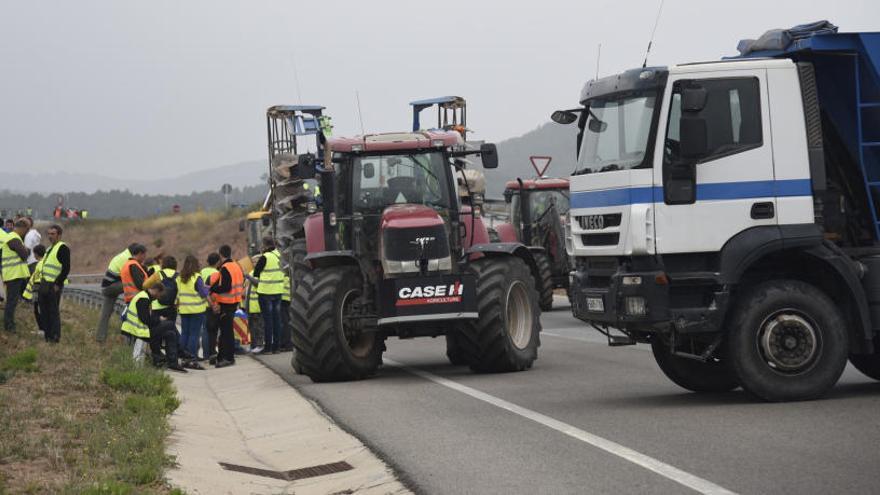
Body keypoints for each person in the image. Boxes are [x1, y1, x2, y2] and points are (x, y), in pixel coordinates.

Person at [121, 284, 187, 372]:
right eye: (160, 295)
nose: (159, 297)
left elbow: (147, 319)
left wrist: (157, 320)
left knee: (170, 334)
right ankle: (180, 351)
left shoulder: (146, 297)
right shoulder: (143, 299)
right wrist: (159, 320)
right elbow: (145, 319)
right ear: (156, 290)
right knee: (170, 324)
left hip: (143, 330)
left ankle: (172, 363)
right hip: (138, 332)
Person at [97, 243, 142, 342]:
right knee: (134, 284)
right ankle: (133, 306)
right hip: (111, 287)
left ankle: (100, 338)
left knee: (106, 314)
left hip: (107, 287)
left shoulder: (123, 255)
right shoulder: (128, 259)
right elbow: (136, 278)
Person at [209, 244, 244, 368]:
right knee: (226, 332)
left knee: (226, 333)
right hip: (235, 301)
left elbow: (226, 287)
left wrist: (213, 289)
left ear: (220, 255)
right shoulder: (236, 265)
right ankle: (222, 356)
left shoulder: (225, 268)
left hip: (226, 303)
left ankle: (228, 358)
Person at [253, 238, 284, 354]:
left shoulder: (265, 257)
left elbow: (256, 273)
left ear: (265, 245)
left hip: (266, 293)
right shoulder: (279, 256)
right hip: (278, 292)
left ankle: (268, 348)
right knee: (277, 320)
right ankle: (276, 347)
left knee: (268, 322)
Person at [39, 224, 70, 343]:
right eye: (49, 234)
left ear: (59, 235)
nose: (50, 236)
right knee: (44, 311)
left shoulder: (62, 248)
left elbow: (66, 268)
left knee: (53, 311)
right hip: (44, 283)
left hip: (54, 285)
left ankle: (55, 336)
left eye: (53, 234)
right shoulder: (49, 249)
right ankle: (48, 336)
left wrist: (58, 283)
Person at [2, 219, 31, 332]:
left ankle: (10, 324)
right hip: (13, 274)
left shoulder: (14, 238)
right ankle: (9, 326)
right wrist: (26, 250)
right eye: (26, 230)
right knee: (11, 302)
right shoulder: (13, 238)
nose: (26, 233)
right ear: (22, 228)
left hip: (15, 274)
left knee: (13, 301)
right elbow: (24, 254)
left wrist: (25, 250)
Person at [177, 255, 209, 359]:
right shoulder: (196, 277)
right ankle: (192, 356)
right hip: (196, 310)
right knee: (194, 334)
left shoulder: (180, 277)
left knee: (185, 333)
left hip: (184, 310)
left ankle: (183, 355)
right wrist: (208, 288)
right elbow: (204, 294)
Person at [200, 253, 221, 362]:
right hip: (213, 304)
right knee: (213, 330)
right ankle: (212, 352)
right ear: (217, 262)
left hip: (202, 304)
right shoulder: (217, 273)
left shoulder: (202, 272)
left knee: (205, 330)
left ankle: (205, 354)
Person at [22, 244, 47, 333]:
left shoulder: (40, 264)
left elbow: (37, 278)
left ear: (36, 254)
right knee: (41, 309)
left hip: (38, 288)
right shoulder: (44, 262)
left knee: (38, 310)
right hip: (42, 288)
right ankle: (43, 329)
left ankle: (42, 330)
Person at [245, 272, 263, 354]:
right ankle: (253, 345)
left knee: (258, 328)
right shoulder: (251, 273)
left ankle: (259, 345)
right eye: (253, 261)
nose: (255, 263)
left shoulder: (261, 273)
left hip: (257, 307)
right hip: (250, 307)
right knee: (251, 328)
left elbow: (258, 284)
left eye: (256, 261)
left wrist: (249, 277)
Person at [279, 268, 293, 352]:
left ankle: (286, 344)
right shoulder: (289, 279)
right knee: (287, 323)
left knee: (284, 324)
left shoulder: (283, 278)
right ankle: (288, 344)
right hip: (288, 301)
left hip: (283, 301)